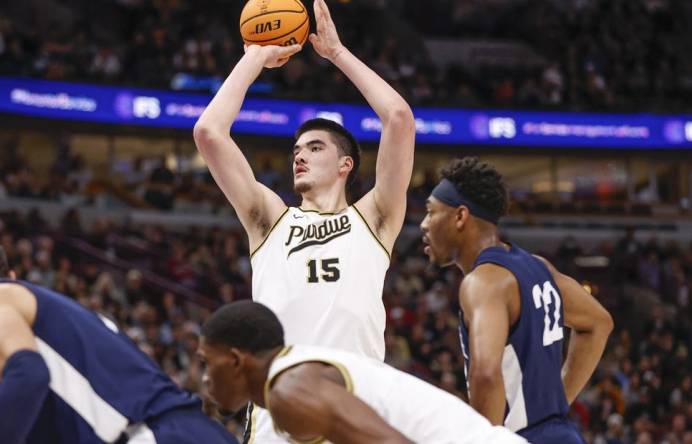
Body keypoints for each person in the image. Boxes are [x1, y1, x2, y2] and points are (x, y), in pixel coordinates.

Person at [193, 0, 415, 440]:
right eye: (296, 150)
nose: (299, 154)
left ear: (345, 164)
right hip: (277, 421)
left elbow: (398, 118)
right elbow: (209, 133)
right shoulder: (268, 221)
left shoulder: (374, 218)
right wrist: (255, 54)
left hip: (356, 410)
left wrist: (336, 53)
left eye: (314, 148)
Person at [0, 233, 237, 444]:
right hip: (192, 431)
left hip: (149, 435)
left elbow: (28, 372)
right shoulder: (55, 311)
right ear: (10, 276)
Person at [419, 157, 614, 443]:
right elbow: (598, 323)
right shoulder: (538, 267)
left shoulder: (482, 284)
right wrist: (555, 405)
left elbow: (486, 374)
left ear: (460, 216)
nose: (423, 224)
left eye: (430, 212)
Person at [198, 300, 527, 444]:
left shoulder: (292, 390)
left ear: (237, 361)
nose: (204, 378)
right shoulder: (296, 378)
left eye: (207, 362)